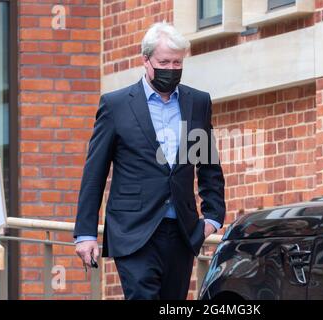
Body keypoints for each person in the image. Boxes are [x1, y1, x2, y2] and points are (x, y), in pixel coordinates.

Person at [74, 22, 226, 300]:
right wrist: (85, 233)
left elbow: (208, 163)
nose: (171, 68)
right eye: (164, 61)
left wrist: (213, 217)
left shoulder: (198, 102)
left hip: (182, 231)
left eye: (177, 62)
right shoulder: (116, 105)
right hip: (133, 232)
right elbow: (94, 172)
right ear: (146, 61)